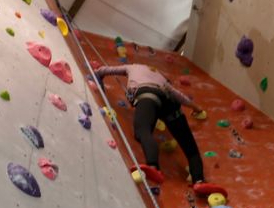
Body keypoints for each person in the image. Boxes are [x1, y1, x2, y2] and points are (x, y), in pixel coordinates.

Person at [94, 63, 223, 195]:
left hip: (148, 95)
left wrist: (97, 73)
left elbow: (108, 70)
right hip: (171, 105)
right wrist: (196, 108)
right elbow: (177, 95)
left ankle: (153, 166)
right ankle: (199, 181)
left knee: (142, 131)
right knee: (191, 150)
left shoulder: (132, 67)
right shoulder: (161, 77)